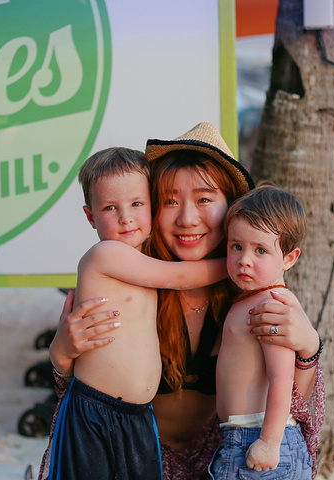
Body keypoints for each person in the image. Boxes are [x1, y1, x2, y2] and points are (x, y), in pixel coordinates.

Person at [40, 123, 325, 480]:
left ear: (233, 207)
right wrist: (61, 356)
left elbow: (298, 407)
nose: (187, 219)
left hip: (222, 462)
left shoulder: (253, 294)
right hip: (136, 458)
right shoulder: (130, 280)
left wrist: (309, 348)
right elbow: (86, 396)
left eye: (205, 199)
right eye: (170, 201)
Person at [47, 147, 228, 479]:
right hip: (96, 410)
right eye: (110, 208)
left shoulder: (143, 259)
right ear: (90, 217)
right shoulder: (107, 254)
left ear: (151, 205)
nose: (125, 218)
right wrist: (236, 262)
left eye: (136, 205)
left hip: (137, 417)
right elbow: (180, 277)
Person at [211, 183, 318, 479]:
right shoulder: (253, 297)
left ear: (289, 258)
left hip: (257, 438)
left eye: (260, 250)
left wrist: (269, 442)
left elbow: (281, 376)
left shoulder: (272, 305)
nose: (244, 259)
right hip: (244, 436)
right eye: (236, 246)